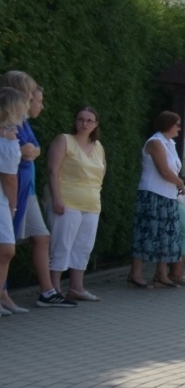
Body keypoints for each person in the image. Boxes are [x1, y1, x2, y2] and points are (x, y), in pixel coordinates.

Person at [2, 70, 58, 307]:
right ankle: (3, 293)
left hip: (25, 184)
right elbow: (26, 151)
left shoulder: (19, 123)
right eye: (31, 92)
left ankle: (46, 291)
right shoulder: (9, 125)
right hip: (15, 186)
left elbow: (33, 149)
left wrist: (30, 152)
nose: (36, 100)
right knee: (7, 243)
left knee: (31, 239)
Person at [42, 106, 108, 302]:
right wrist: (56, 198)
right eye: (80, 119)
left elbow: (101, 175)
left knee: (83, 246)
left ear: (96, 124)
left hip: (91, 204)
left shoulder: (98, 147)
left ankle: (76, 288)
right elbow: (53, 170)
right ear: (75, 121)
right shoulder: (64, 141)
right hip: (67, 201)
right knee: (61, 244)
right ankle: (54, 288)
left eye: (89, 120)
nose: (84, 123)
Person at [129, 111, 185, 289]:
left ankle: (161, 274)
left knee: (166, 235)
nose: (179, 128)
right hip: (152, 193)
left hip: (168, 196)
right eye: (177, 124)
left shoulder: (170, 143)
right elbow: (164, 171)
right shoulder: (155, 142)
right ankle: (135, 273)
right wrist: (180, 182)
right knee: (146, 232)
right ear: (168, 125)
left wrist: (177, 182)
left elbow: (173, 168)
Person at [0, 88, 25, 315]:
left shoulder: (10, 135)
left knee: (6, 249)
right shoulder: (6, 139)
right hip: (2, 198)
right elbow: (9, 177)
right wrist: (13, 204)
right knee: (6, 248)